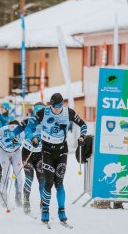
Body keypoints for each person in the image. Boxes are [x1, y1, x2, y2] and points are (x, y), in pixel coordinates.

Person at [28, 93, 87, 223]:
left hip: (61, 151)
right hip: (47, 151)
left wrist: (82, 137)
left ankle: (62, 210)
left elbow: (83, 125)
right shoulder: (44, 112)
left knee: (59, 183)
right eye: (53, 107)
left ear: (62, 105)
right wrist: (34, 138)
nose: (55, 109)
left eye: (57, 107)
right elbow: (30, 126)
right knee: (48, 182)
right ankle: (45, 209)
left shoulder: (68, 112)